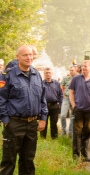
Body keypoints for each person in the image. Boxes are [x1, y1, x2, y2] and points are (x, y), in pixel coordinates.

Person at [0, 45, 48, 174]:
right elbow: (1, 100)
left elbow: (42, 99)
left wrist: (43, 118)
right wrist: (6, 121)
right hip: (14, 123)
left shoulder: (37, 75)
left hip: (32, 124)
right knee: (8, 162)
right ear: (18, 57)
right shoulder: (8, 75)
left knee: (28, 161)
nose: (29, 57)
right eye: (25, 55)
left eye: (30, 55)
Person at [69, 60, 90, 162]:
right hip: (78, 110)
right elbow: (71, 92)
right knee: (77, 132)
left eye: (86, 66)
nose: (83, 68)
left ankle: (84, 156)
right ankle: (75, 156)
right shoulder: (76, 79)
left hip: (89, 111)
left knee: (86, 133)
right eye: (82, 66)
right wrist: (74, 106)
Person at [40, 67, 63, 139]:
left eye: (49, 73)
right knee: (44, 122)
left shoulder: (57, 83)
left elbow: (61, 95)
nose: (48, 74)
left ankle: (54, 137)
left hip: (54, 106)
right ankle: (43, 137)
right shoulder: (41, 83)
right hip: (44, 106)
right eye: (46, 73)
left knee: (54, 123)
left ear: (52, 74)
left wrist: (60, 105)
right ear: (44, 74)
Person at [60, 66, 77, 137]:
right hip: (66, 98)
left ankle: (70, 132)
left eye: (72, 70)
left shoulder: (77, 79)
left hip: (74, 99)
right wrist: (62, 93)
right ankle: (63, 130)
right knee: (63, 115)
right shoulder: (66, 78)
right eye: (70, 70)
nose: (71, 71)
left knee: (72, 117)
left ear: (76, 71)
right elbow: (61, 86)